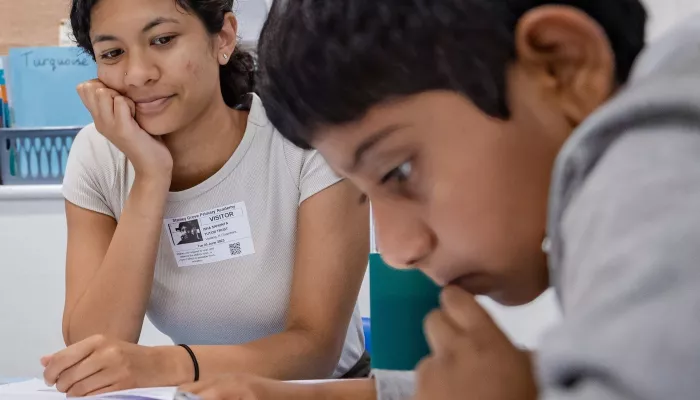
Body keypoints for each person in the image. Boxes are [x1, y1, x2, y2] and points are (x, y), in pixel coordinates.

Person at [176, 0, 700, 399]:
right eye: (366, 195)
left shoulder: (654, 163)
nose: (401, 249)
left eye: (399, 170)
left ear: (561, 67)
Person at [41, 0, 371, 397]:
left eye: (163, 39)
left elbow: (315, 348)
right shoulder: (100, 155)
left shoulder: (307, 138)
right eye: (112, 53)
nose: (139, 74)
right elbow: (89, 348)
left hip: (321, 391)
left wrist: (167, 363)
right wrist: (150, 176)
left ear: (224, 38)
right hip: (198, 391)